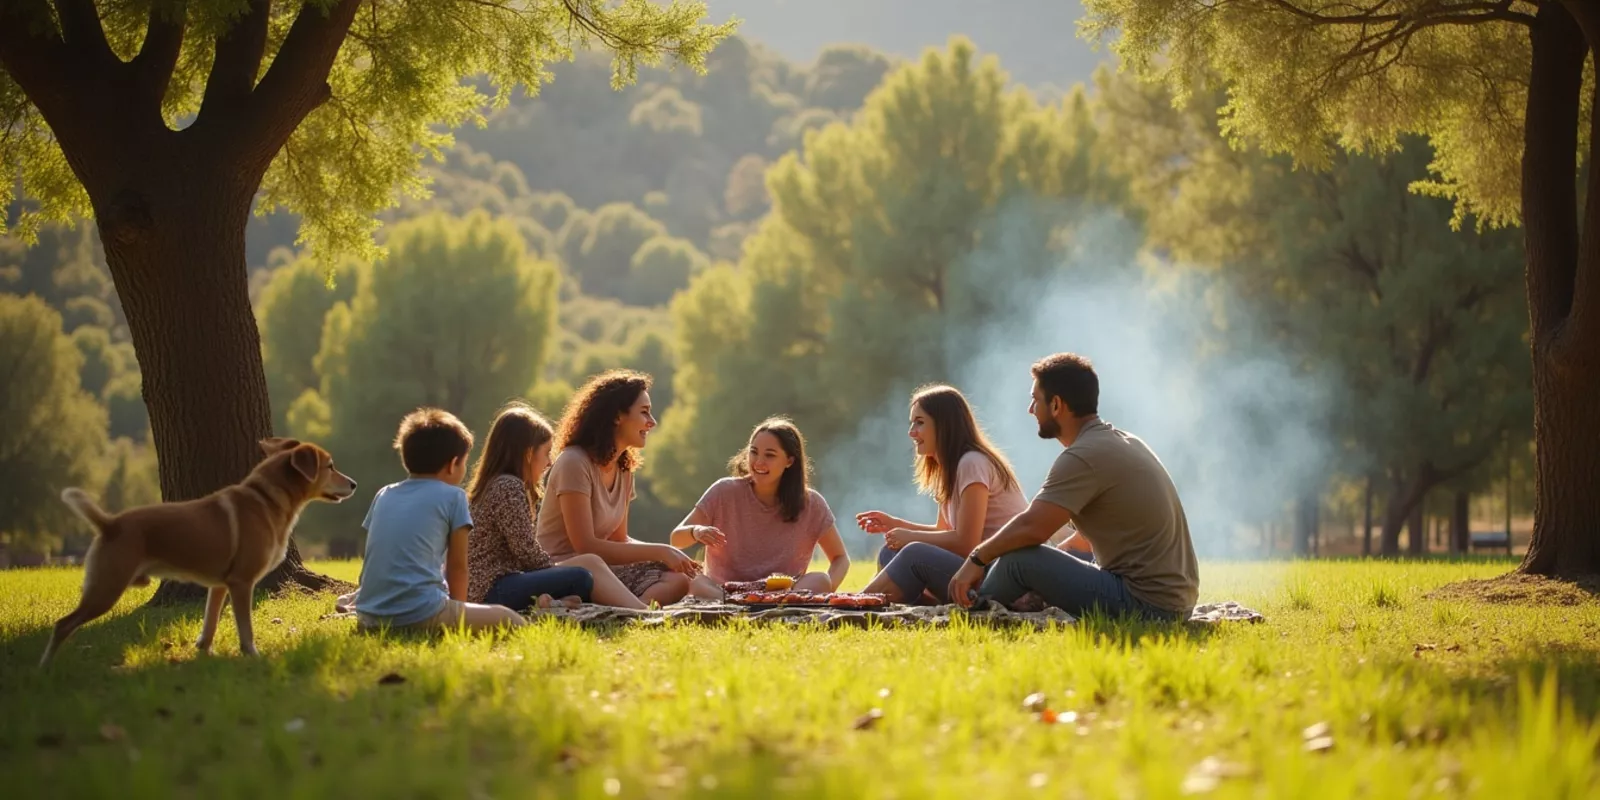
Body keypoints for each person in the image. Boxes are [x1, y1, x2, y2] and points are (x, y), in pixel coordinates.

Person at [947, 353, 1200, 621]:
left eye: (1035, 399)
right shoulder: (1123, 441)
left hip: (1148, 606)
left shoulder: (1082, 456)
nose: (1030, 409)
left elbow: (1032, 527)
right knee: (1045, 558)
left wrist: (976, 559)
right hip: (1176, 602)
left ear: (1056, 404)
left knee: (1018, 560)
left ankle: (972, 614)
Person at [466, 401, 652, 611]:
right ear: (528, 454)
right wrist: (556, 571)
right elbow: (526, 551)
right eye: (546, 453)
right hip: (493, 590)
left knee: (583, 573)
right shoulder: (508, 487)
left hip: (498, 585)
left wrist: (556, 573)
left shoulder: (500, 486)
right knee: (584, 571)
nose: (548, 462)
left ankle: (555, 604)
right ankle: (642, 614)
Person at [352, 408, 526, 632]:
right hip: (420, 614)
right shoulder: (454, 497)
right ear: (453, 464)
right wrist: (460, 613)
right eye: (464, 463)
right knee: (509, 619)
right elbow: (458, 567)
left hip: (368, 618)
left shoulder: (384, 494)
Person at [535, 370, 697, 604]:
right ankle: (637, 612)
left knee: (679, 579)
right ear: (616, 416)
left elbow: (619, 540)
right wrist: (660, 551)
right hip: (565, 567)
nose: (652, 422)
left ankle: (622, 608)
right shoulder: (574, 462)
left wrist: (671, 557)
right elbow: (585, 545)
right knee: (597, 565)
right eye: (644, 412)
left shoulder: (624, 469)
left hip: (604, 568)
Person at [854, 384, 1027, 604]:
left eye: (920, 422)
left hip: (999, 576)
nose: (911, 432)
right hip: (975, 568)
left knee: (914, 554)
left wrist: (910, 537)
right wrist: (894, 524)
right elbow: (943, 532)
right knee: (890, 552)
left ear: (944, 425)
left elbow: (966, 542)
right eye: (912, 423)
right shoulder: (950, 469)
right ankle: (896, 605)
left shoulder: (972, 463)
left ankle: (853, 605)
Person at [670, 417, 850, 599]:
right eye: (754, 452)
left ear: (789, 461)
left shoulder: (812, 503)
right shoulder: (723, 491)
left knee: (820, 579)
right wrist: (696, 531)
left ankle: (780, 605)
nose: (758, 462)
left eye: (770, 455)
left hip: (782, 595)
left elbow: (840, 558)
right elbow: (676, 539)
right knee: (696, 582)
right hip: (723, 593)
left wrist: (827, 590)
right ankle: (734, 607)